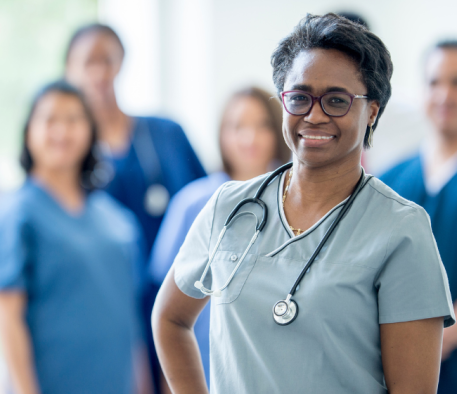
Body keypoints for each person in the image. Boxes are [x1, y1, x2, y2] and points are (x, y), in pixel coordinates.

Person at [152, 14, 455, 394]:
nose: (314, 115)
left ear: (372, 111)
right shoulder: (229, 206)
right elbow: (170, 319)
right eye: (299, 97)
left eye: (336, 100)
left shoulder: (401, 229)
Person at [64, 24, 206, 392]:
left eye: (106, 59)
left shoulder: (166, 134)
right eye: (87, 62)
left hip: (182, 293)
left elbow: (209, 205)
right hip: (107, 306)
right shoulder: (68, 152)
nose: (99, 72)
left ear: (122, 63)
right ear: (69, 70)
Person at [0, 81, 146, 394]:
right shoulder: (17, 213)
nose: (62, 131)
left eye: (74, 119)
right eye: (50, 119)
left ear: (91, 132)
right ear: (29, 132)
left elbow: (129, 317)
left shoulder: (117, 219)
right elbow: (8, 315)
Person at [149, 86, 290, 385]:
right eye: (237, 126)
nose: (249, 138)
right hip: (203, 367)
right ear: (221, 135)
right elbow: (165, 308)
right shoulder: (193, 204)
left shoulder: (295, 201)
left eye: (262, 125)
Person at [380, 40, 457, 394]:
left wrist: (447, 334)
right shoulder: (389, 181)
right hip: (393, 363)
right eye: (434, 82)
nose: (444, 95)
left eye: (456, 83)